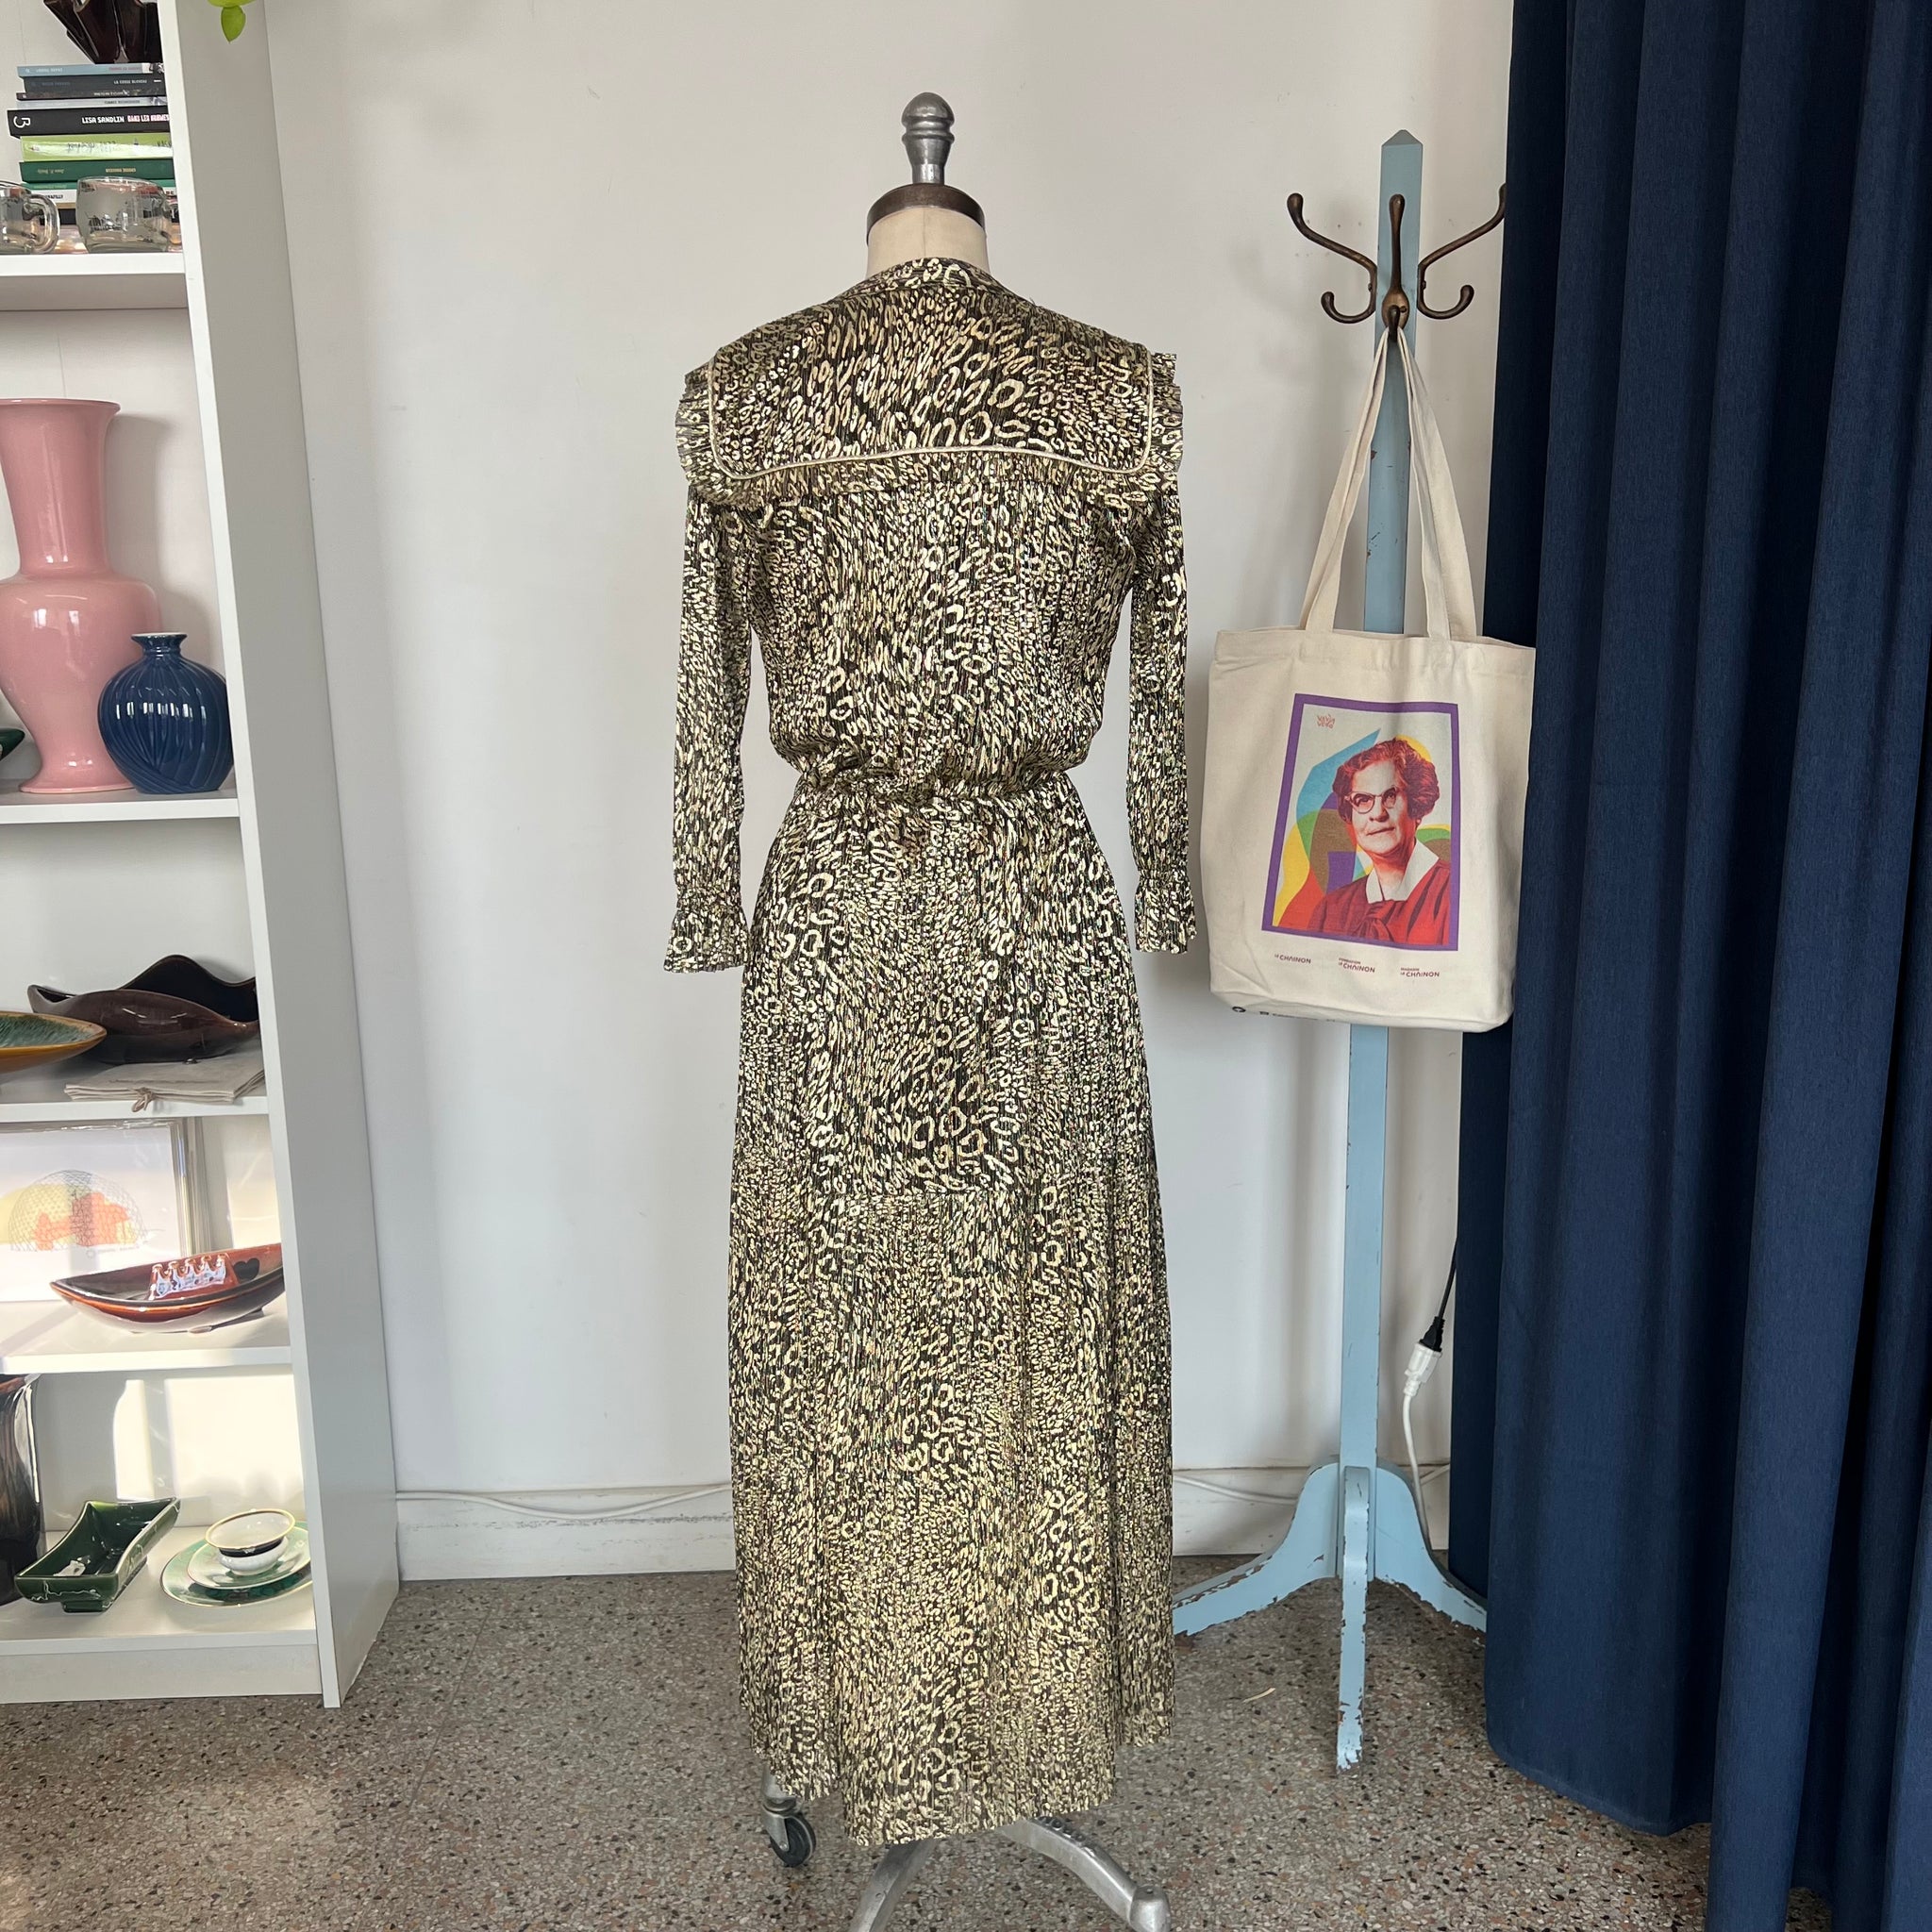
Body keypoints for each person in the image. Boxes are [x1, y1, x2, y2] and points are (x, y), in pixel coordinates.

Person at [1307, 736, 1452, 945]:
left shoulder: (1455, 893)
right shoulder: (1330, 911)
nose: (1377, 813)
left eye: (1390, 796)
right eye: (1362, 800)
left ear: (1416, 805)